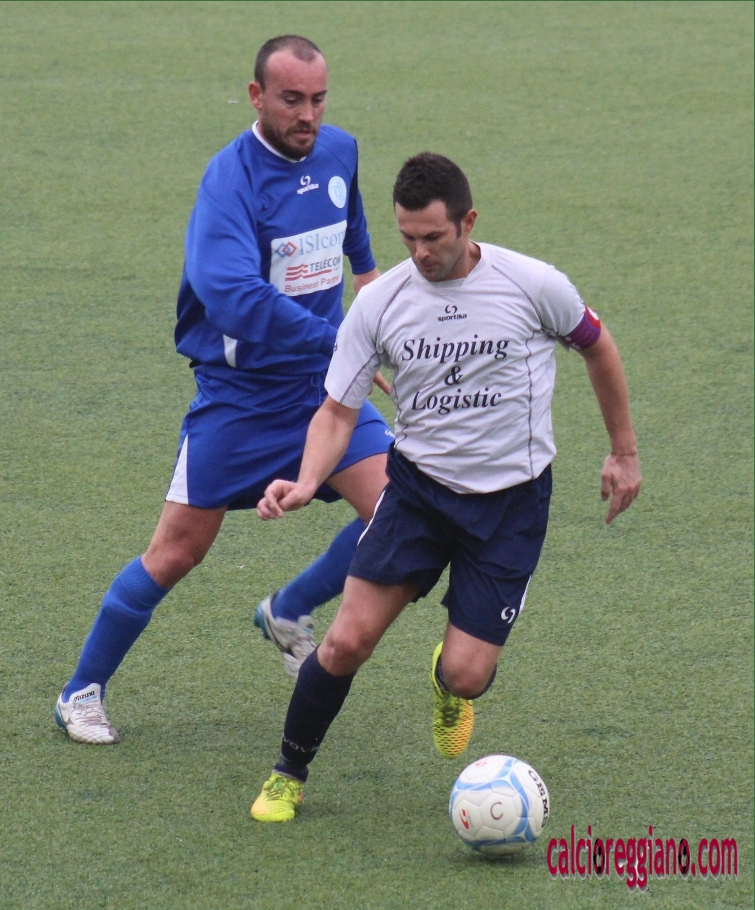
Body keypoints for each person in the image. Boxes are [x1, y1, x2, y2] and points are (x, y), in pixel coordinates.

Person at [249, 152, 642, 821]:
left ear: (468, 222)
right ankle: (289, 772)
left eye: (434, 237)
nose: (421, 253)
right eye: (408, 238)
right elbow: (337, 411)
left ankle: (446, 680)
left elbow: (596, 345)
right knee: (345, 642)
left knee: (467, 673)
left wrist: (623, 451)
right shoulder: (380, 304)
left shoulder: (532, 284)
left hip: (511, 505)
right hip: (418, 496)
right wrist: (308, 479)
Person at [54, 35, 395, 745]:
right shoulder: (228, 182)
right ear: (256, 97)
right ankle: (80, 691)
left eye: (319, 99)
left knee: (398, 512)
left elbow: (356, 245)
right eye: (292, 99)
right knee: (176, 552)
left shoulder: (339, 151)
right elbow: (233, 298)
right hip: (240, 400)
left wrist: (382, 321)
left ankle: (288, 609)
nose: (308, 115)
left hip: (322, 390)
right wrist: (341, 342)